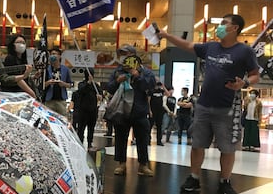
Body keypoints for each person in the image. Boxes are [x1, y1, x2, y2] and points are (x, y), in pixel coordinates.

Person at [158, 14, 259, 194]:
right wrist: (166, 36)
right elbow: (188, 45)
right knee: (198, 144)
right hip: (204, 105)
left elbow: (255, 75)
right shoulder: (211, 47)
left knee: (227, 147)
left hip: (228, 107)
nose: (219, 27)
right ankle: (194, 178)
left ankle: (225, 181)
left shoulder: (244, 51)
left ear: (234, 28)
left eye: (223, 24)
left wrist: (244, 83)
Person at [107, 44, 156, 177]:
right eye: (122, 54)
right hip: (122, 111)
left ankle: (143, 165)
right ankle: (121, 164)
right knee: (120, 138)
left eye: (126, 53)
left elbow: (151, 87)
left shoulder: (145, 71)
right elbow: (109, 88)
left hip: (139, 111)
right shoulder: (118, 71)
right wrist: (117, 81)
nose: (124, 56)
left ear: (133, 55)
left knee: (142, 139)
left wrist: (137, 75)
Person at [1, 34, 37, 98]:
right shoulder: (10, 58)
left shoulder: (23, 60)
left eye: (23, 43)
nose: (21, 45)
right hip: (12, 93)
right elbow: (18, 79)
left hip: (21, 92)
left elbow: (23, 76)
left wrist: (33, 77)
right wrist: (31, 93)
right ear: (12, 44)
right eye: (18, 42)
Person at [76, 68, 102, 148]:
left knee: (91, 128)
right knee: (81, 128)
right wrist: (88, 82)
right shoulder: (81, 84)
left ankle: (90, 142)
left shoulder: (96, 86)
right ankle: (80, 142)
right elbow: (81, 91)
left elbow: (100, 94)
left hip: (93, 111)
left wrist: (100, 96)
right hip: (83, 111)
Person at [44, 48, 73, 116]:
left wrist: (63, 84)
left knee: (62, 119)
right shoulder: (46, 69)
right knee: (48, 118)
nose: (52, 56)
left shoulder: (65, 69)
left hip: (61, 100)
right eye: (51, 54)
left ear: (59, 56)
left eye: (54, 54)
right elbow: (41, 85)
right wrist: (48, 82)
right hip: (49, 100)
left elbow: (71, 84)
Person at [148, 81, 168, 146]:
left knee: (159, 126)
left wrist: (163, 86)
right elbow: (148, 101)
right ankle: (148, 140)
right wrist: (149, 110)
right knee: (150, 126)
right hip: (153, 110)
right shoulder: (151, 91)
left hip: (160, 111)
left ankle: (159, 141)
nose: (158, 87)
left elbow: (168, 94)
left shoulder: (161, 91)